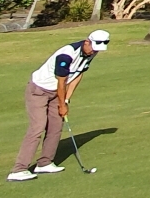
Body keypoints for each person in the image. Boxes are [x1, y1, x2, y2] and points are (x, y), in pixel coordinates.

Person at [8, 30, 109, 182]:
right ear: (87, 41)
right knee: (37, 127)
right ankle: (19, 169)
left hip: (57, 92)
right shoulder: (66, 55)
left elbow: (78, 74)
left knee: (56, 126)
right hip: (38, 90)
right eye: (93, 48)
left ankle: (45, 163)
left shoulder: (91, 53)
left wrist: (67, 99)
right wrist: (62, 105)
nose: (94, 52)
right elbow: (61, 82)